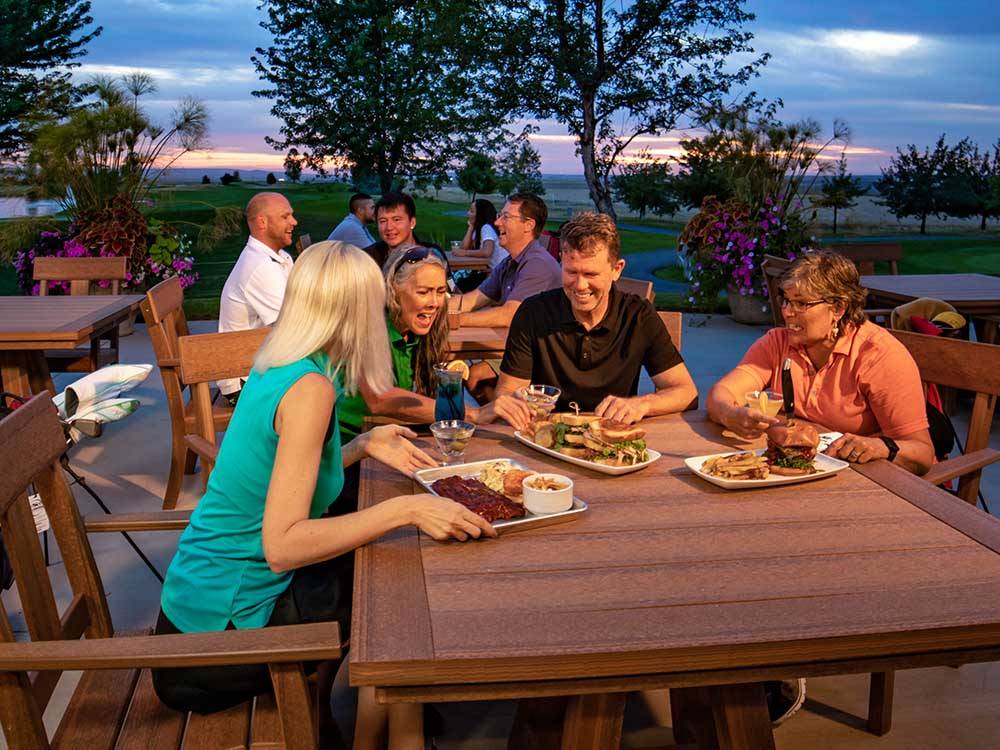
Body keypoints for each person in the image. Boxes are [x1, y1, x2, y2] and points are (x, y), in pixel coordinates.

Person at [153, 242, 496, 750]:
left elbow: (278, 474)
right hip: (216, 641)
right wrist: (406, 507)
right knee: (402, 602)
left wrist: (362, 443)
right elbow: (284, 545)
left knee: (391, 585)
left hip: (194, 608)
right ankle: (398, 727)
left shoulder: (283, 360)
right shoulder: (310, 388)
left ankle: (389, 728)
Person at [707, 249, 933, 475]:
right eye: (785, 301)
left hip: (872, 479)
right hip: (807, 470)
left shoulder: (879, 355)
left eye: (801, 303)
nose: (787, 312)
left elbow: (922, 454)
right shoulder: (777, 343)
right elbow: (721, 392)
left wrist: (881, 447)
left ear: (838, 308)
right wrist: (730, 415)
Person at [484, 211, 698, 430]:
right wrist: (515, 402)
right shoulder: (532, 312)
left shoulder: (638, 315)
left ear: (617, 270)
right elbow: (508, 391)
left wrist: (641, 404)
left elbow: (686, 392)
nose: (580, 285)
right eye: (571, 272)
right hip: (545, 436)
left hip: (611, 436)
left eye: (591, 274)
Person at [448, 193, 562, 400]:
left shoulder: (537, 264)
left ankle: (502, 424)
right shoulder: (510, 262)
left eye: (505, 217)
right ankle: (498, 420)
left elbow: (509, 315)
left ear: (528, 225)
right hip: (514, 346)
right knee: (457, 369)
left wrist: (453, 320)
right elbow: (473, 299)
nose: (497, 221)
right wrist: (433, 308)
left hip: (540, 355)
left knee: (474, 376)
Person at [217, 192, 297, 402]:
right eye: (285, 216)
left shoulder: (278, 258)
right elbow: (294, 325)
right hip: (246, 379)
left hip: (260, 365)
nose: (294, 222)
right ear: (262, 222)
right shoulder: (261, 267)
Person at [363, 191, 440, 269]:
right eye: (383, 221)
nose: (389, 227)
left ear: (412, 222)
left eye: (396, 219)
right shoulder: (368, 258)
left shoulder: (432, 253)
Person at [451, 198, 507, 268]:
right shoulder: (478, 229)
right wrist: (470, 228)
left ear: (480, 214)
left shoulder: (487, 228)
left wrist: (464, 253)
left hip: (496, 272)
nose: (468, 213)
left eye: (471, 211)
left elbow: (487, 252)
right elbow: (463, 248)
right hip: (490, 270)